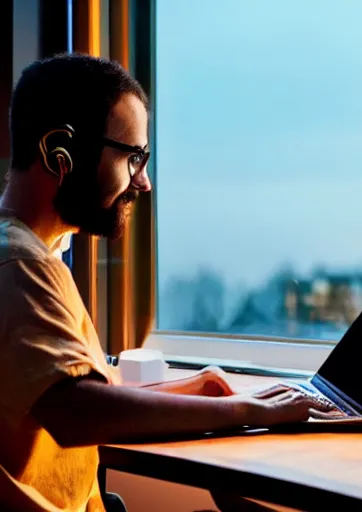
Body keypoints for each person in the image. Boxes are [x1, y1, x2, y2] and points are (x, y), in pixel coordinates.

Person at [0, 53, 332, 512]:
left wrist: (198, 385)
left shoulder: (29, 252)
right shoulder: (20, 264)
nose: (145, 181)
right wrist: (247, 411)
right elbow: (78, 412)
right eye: (133, 157)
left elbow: (79, 392)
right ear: (61, 151)